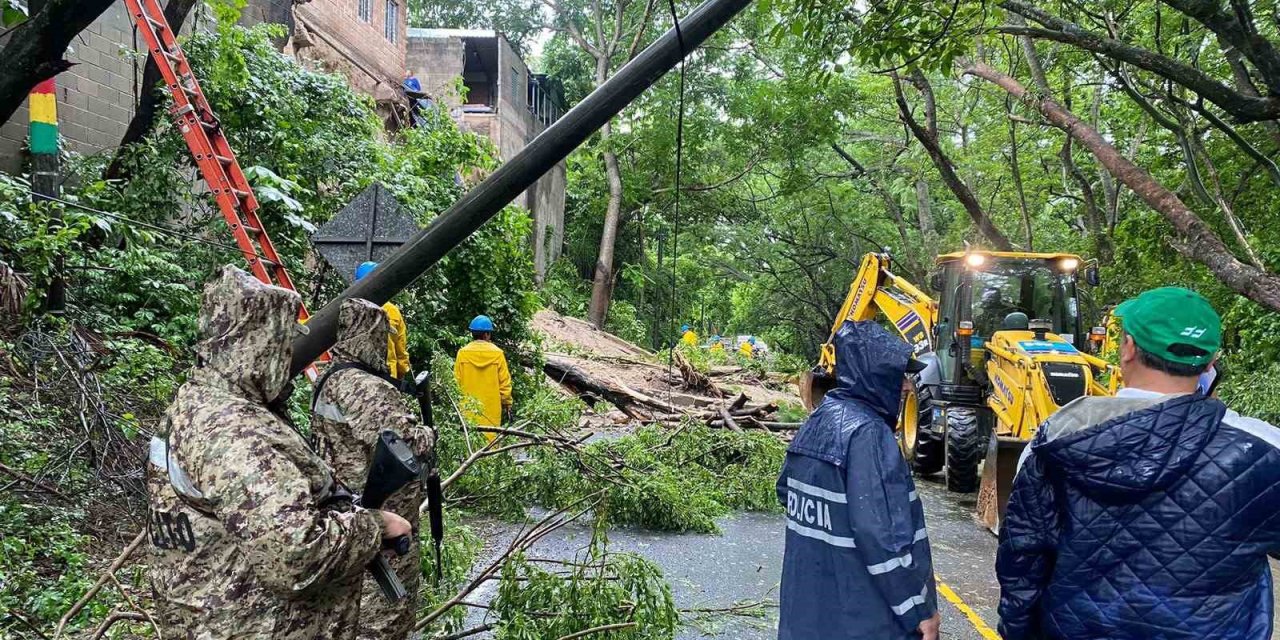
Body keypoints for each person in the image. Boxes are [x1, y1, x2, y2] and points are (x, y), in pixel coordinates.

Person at [997, 286, 1280, 640]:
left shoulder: (1053, 440)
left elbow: (1022, 563)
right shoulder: (1263, 449)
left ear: (1128, 348)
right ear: (1211, 361)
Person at [147, 266, 411, 639]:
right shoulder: (233, 433)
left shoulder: (201, 402)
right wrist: (375, 526)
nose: (291, 355)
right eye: (285, 342)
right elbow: (294, 556)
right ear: (260, 343)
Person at [777, 320, 940, 640]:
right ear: (876, 376)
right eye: (900, 375)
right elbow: (883, 539)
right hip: (862, 620)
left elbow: (785, 489)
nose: (908, 386)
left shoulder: (816, 421)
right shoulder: (869, 436)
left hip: (805, 616)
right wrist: (917, 611)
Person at [312, 299, 433, 640]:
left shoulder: (328, 379)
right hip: (383, 512)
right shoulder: (367, 387)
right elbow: (408, 443)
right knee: (385, 613)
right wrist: (429, 433)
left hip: (343, 506)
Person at [454, 315, 513, 441]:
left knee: (469, 441)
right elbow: (505, 383)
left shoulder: (463, 353)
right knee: (490, 442)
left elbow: (456, 382)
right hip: (491, 409)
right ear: (487, 334)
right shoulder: (498, 354)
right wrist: (507, 402)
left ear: (472, 334)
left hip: (468, 408)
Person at [355, 261, 411, 380]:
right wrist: (400, 376)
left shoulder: (350, 308)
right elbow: (401, 352)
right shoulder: (392, 311)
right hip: (387, 379)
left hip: (356, 380)